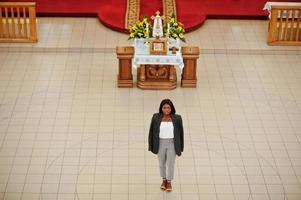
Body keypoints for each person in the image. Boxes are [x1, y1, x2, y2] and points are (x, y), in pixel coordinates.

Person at [148, 99, 184, 191]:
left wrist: (181, 147)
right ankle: (163, 180)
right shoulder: (156, 117)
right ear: (161, 108)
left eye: (168, 107)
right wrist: (150, 145)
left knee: (170, 164)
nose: (166, 109)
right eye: (164, 107)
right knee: (161, 164)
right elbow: (151, 132)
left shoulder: (177, 118)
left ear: (171, 108)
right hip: (160, 143)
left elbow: (181, 133)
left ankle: (169, 181)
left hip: (172, 143)